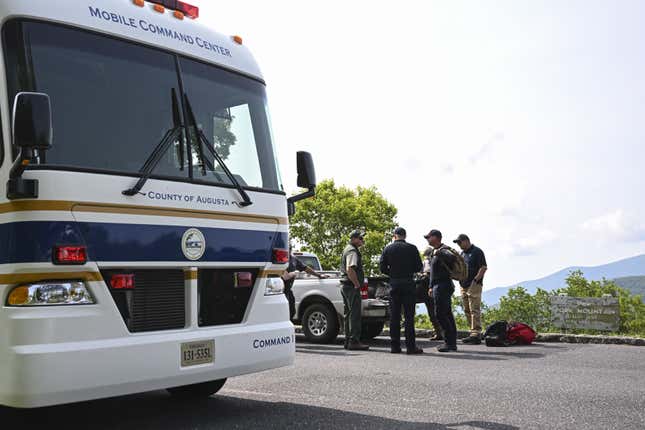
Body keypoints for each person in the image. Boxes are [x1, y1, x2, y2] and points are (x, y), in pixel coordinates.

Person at [379, 227, 424, 354]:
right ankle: (410, 346)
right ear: (405, 235)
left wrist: (392, 273)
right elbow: (418, 267)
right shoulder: (412, 248)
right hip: (408, 283)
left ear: (395, 235)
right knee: (409, 316)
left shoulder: (388, 248)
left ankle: (395, 346)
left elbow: (382, 267)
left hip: (394, 284)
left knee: (394, 316)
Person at [424, 229, 458, 352]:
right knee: (447, 313)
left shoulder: (443, 250)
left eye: (429, 237)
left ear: (437, 237)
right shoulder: (434, 251)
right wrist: (430, 286)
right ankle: (451, 342)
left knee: (440, 313)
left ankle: (449, 343)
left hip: (443, 285)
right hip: (438, 285)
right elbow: (433, 272)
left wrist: (440, 253)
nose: (427, 239)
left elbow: (452, 258)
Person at [453, 234, 488, 344]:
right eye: (457, 243)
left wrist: (476, 280)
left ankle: (476, 333)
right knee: (467, 309)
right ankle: (471, 332)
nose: (459, 245)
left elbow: (483, 267)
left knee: (474, 309)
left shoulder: (477, 251)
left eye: (460, 242)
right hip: (463, 284)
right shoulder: (462, 254)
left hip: (474, 284)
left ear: (466, 241)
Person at [340, 230, 369, 351]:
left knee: (348, 314)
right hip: (351, 286)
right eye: (361, 238)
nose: (363, 240)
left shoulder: (347, 248)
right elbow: (350, 269)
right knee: (354, 314)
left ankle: (348, 340)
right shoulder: (352, 251)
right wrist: (357, 284)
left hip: (346, 285)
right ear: (354, 239)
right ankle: (354, 341)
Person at [282, 248, 329, 321]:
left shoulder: (293, 259)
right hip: (280, 291)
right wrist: (294, 273)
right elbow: (285, 277)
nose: (289, 249)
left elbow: (305, 268)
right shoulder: (282, 259)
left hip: (288, 290)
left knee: (292, 311)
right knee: (283, 312)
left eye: (290, 248)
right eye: (288, 248)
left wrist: (318, 275)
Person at [422, 247, 444, 341]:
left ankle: (440, 332)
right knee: (433, 312)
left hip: (430, 287)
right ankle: (438, 332)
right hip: (427, 287)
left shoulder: (431, 261)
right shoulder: (428, 261)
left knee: (434, 312)